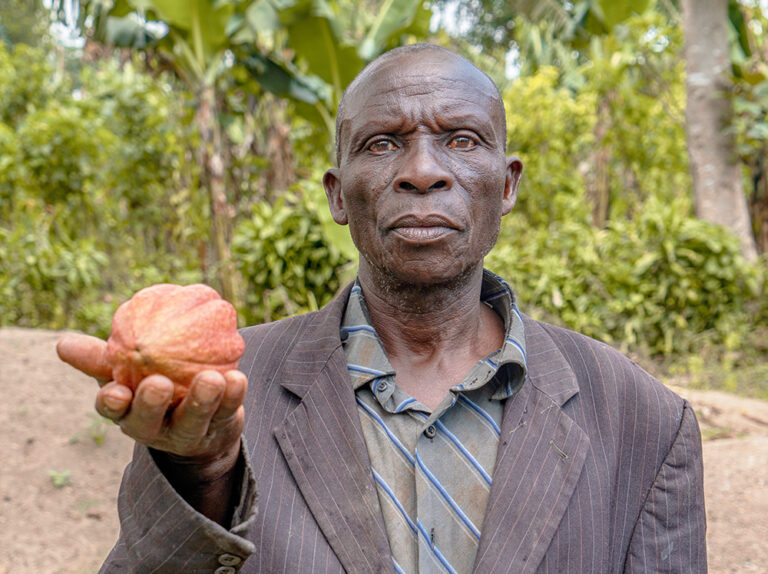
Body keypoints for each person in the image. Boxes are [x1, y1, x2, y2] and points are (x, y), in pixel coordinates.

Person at [59, 44, 707, 573]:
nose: (422, 171)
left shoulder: (644, 423)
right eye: (381, 144)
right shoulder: (220, 393)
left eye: (460, 140)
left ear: (506, 184)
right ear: (339, 197)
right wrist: (199, 475)